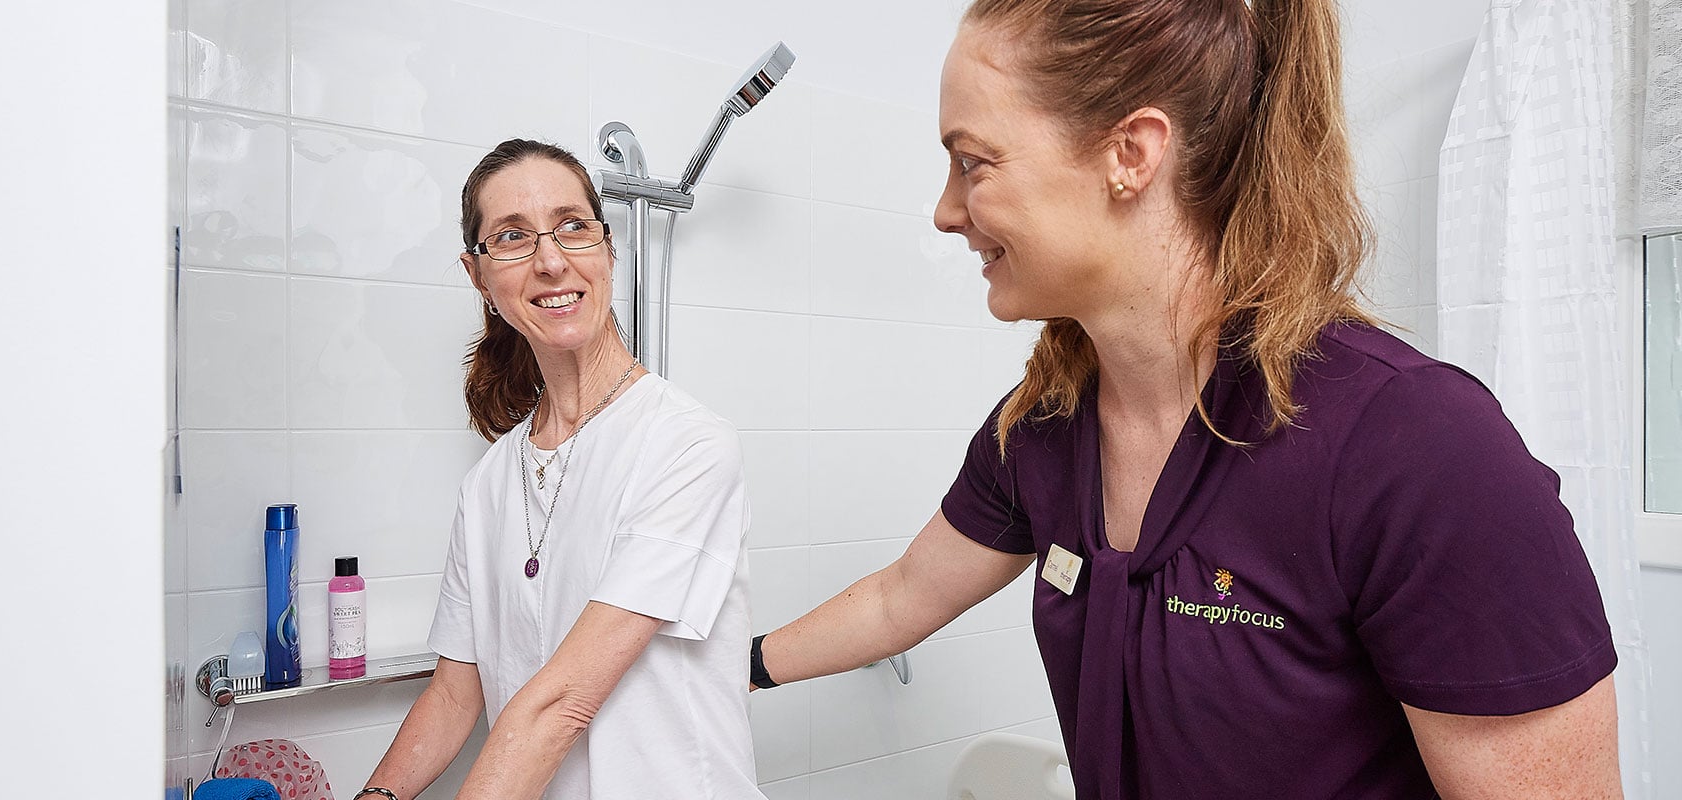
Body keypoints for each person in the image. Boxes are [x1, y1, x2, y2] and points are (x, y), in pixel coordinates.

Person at [749, 2, 1622, 798]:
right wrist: (731, 668)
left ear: (1131, 154)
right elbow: (901, 596)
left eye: (972, 162)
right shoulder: (1044, 427)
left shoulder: (1417, 447)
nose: (946, 211)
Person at [356, 139, 761, 800]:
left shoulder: (685, 445)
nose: (550, 260)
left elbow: (562, 705)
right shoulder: (488, 485)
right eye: (512, 238)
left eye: (573, 227)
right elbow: (456, 694)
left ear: (607, 248)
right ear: (478, 275)